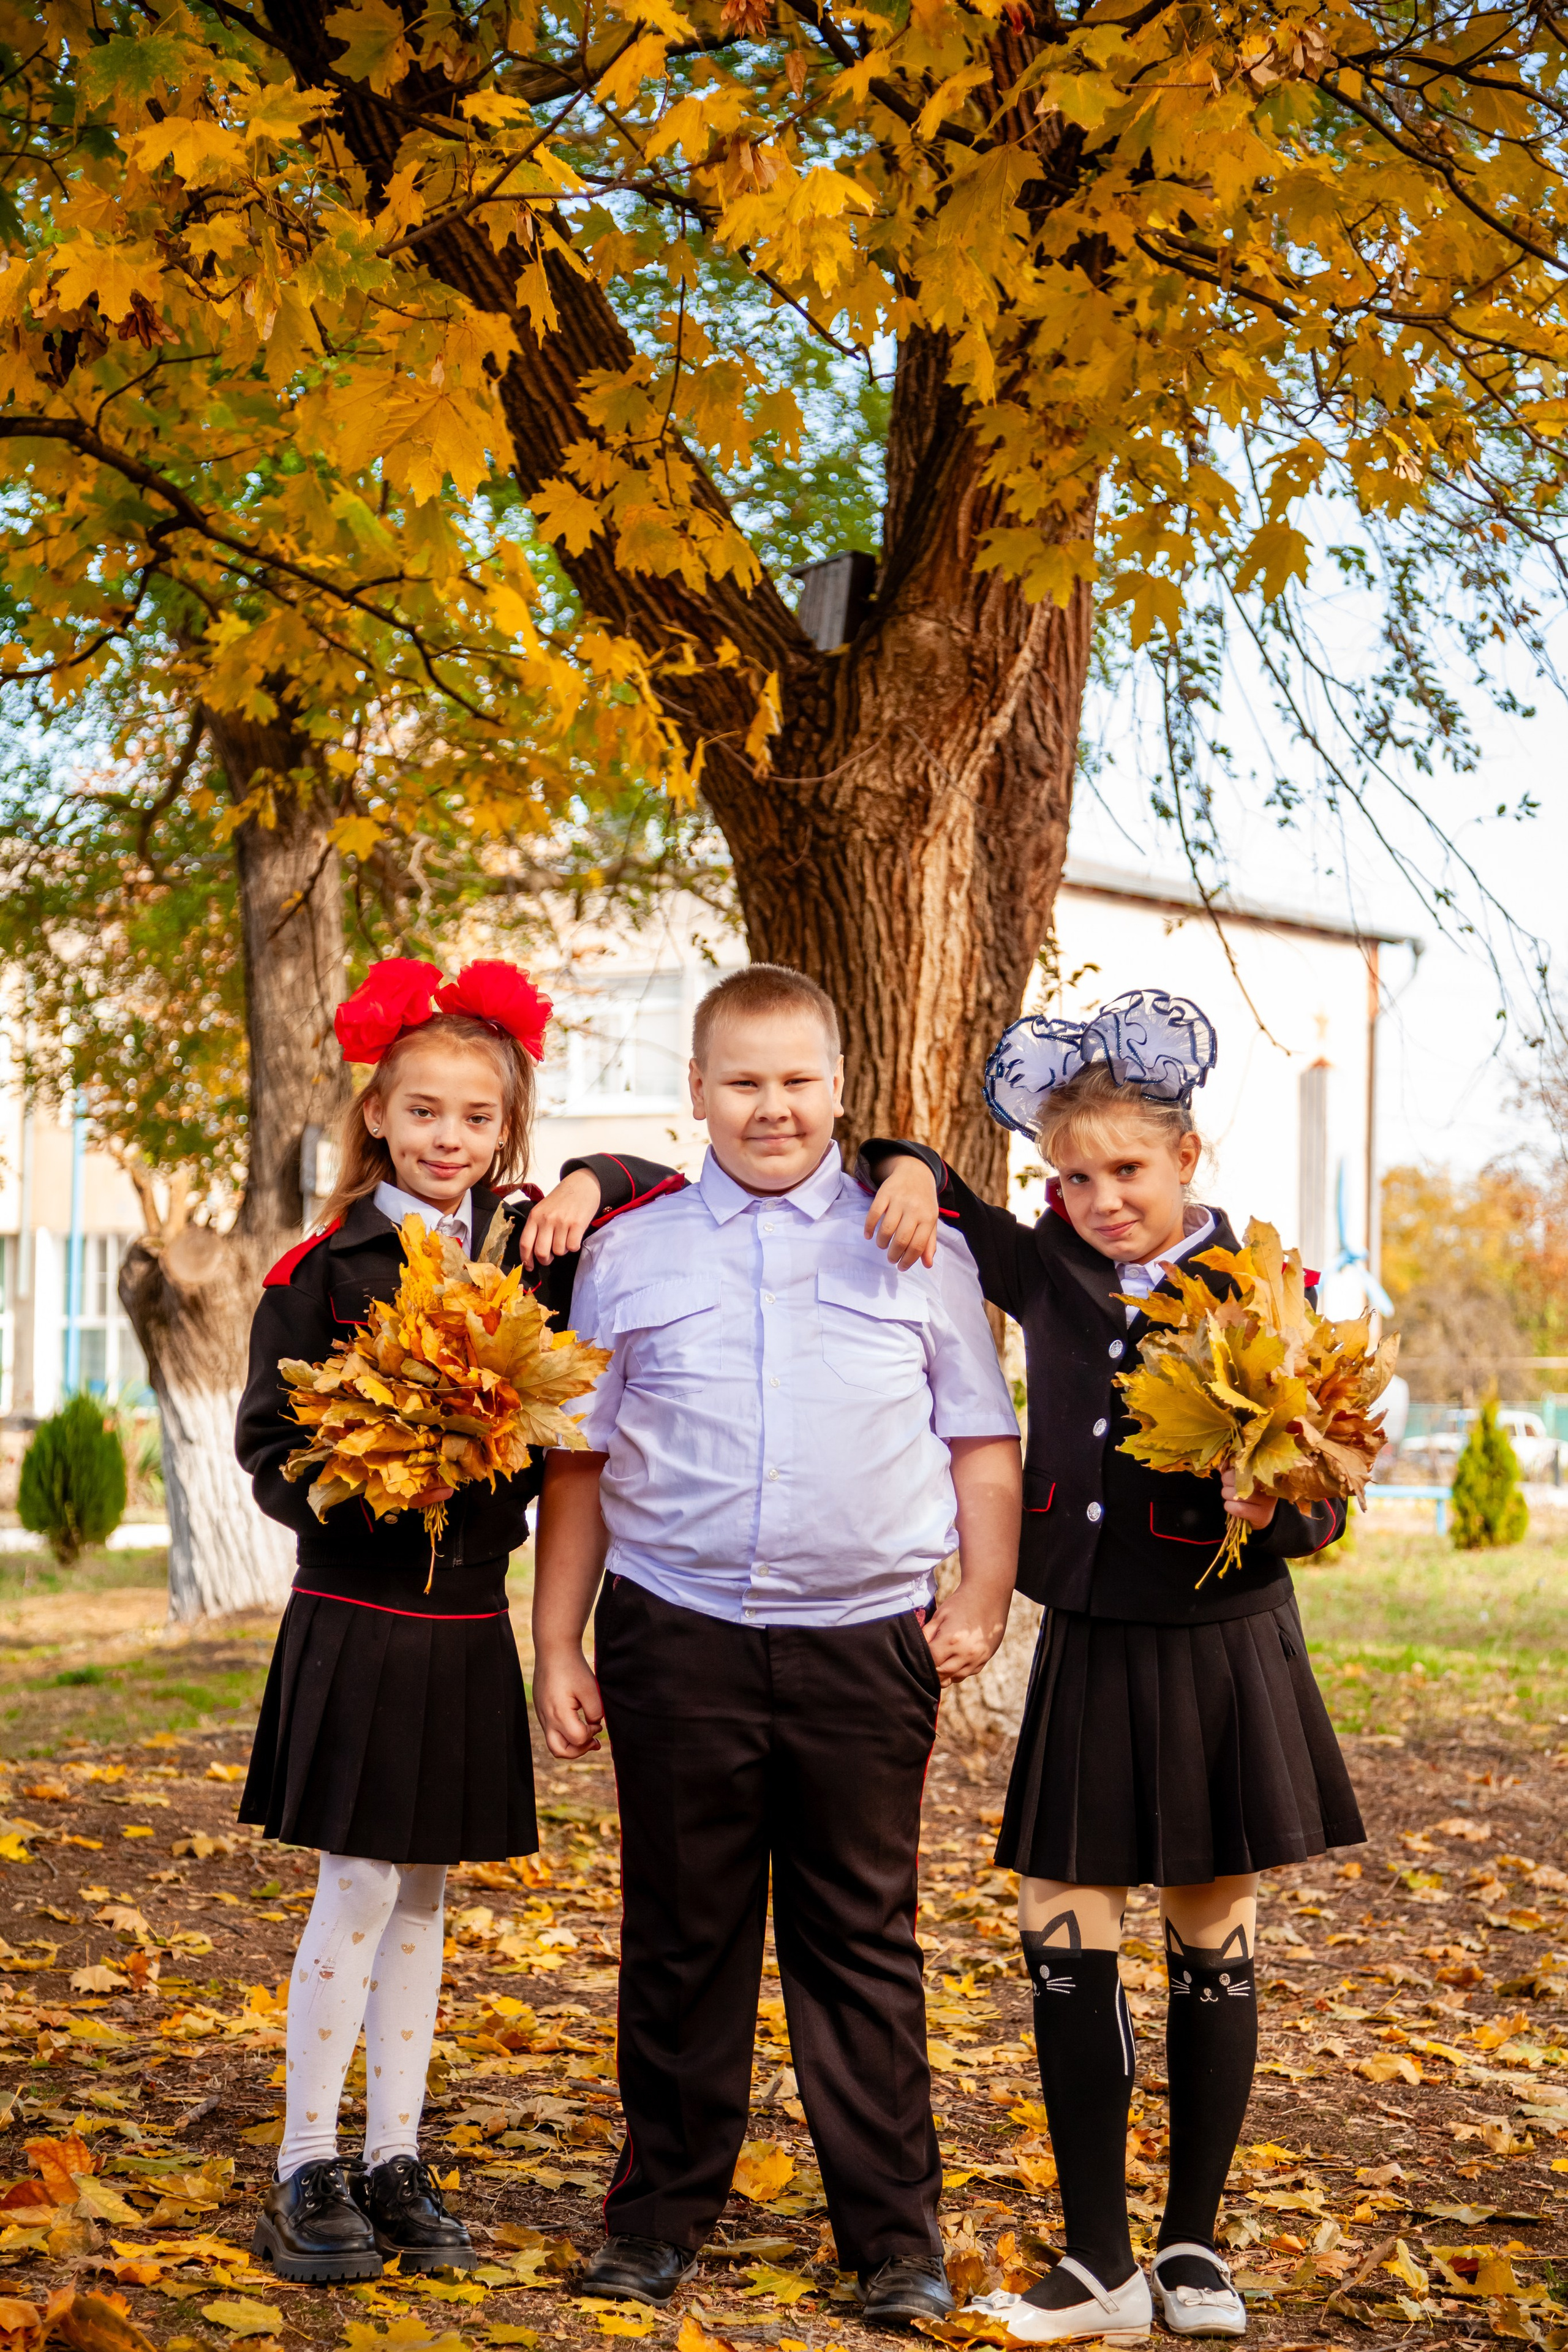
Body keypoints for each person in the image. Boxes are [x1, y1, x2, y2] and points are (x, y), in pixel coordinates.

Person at [859, 990, 1365, 2344]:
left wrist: (1288, 1512)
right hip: (1086, 1639)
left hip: (1221, 1644)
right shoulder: (1046, 1266)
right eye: (1073, 1175)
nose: (1098, 1198)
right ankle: (1095, 2262)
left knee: (1209, 1921)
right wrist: (906, 1161)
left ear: (1186, 1160)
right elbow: (917, 1183)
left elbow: (1329, 1481)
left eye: (1125, 1172)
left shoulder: (1268, 1285)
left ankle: (1192, 2249)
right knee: (1057, 1916)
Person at [531, 963, 1023, 2331]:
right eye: (742, 1081)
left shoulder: (914, 1242)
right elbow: (578, 1465)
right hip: (673, 1633)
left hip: (863, 1644)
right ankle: (656, 2218)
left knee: (859, 1939)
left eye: (797, 1081)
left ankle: (891, 2239)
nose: (771, 1107)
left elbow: (980, 1440)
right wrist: (554, 1641)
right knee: (680, 1937)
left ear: (837, 1089)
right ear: (695, 1092)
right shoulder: (628, 1252)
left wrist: (981, 1596)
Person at [235, 955, 681, 2285]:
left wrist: (590, 1180)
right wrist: (383, 1471)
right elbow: (267, 1452)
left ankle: (391, 2153)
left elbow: (665, 1181)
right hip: (357, 1609)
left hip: (464, 1626)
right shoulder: (321, 1268)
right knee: (359, 1882)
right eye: (423, 1111)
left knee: (424, 1899)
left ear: (507, 1131)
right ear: (375, 1112)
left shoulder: (526, 1249)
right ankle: (302, 2158)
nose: (449, 1139)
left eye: (477, 1120)